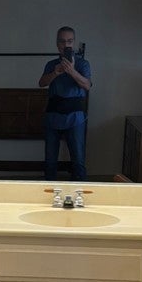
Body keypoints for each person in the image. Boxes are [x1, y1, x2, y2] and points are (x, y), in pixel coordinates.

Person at [38, 26, 92, 181]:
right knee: (50, 160)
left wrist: (72, 71)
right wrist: (56, 72)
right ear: (57, 44)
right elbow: (41, 83)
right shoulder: (52, 64)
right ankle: (48, 190)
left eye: (69, 41)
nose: (66, 45)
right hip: (53, 115)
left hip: (75, 117)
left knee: (78, 159)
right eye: (62, 41)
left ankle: (79, 190)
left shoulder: (83, 64)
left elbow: (87, 85)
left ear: (73, 43)